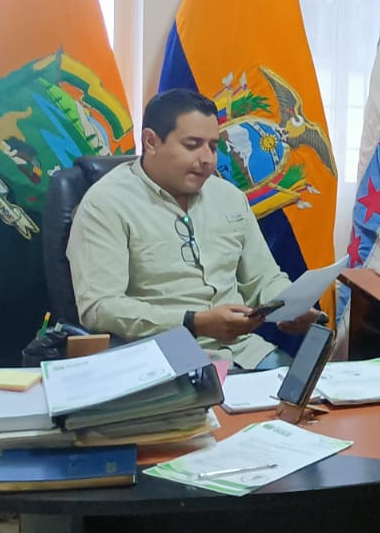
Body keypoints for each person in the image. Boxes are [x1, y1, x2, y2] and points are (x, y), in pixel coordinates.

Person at [67, 89, 320, 370]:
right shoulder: (105, 204)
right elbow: (100, 307)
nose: (208, 159)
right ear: (151, 142)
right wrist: (193, 322)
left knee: (311, 391)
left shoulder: (229, 197)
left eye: (212, 146)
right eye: (192, 145)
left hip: (244, 351)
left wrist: (292, 306)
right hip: (160, 358)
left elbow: (263, 278)